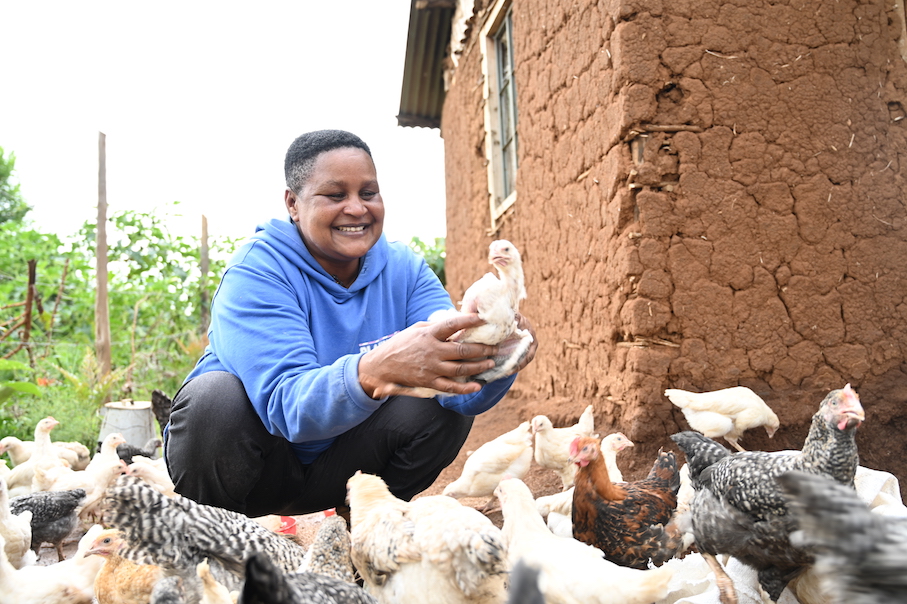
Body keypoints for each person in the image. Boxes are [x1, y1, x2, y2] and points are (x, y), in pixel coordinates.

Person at [164, 129, 538, 517]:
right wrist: (375, 369)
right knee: (215, 400)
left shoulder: (404, 270)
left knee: (443, 409)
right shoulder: (257, 272)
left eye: (369, 193)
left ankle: (366, 532)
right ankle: (210, 536)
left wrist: (498, 354)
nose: (357, 208)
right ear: (293, 203)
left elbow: (460, 390)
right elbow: (286, 408)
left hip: (344, 468)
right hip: (259, 466)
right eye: (336, 195)